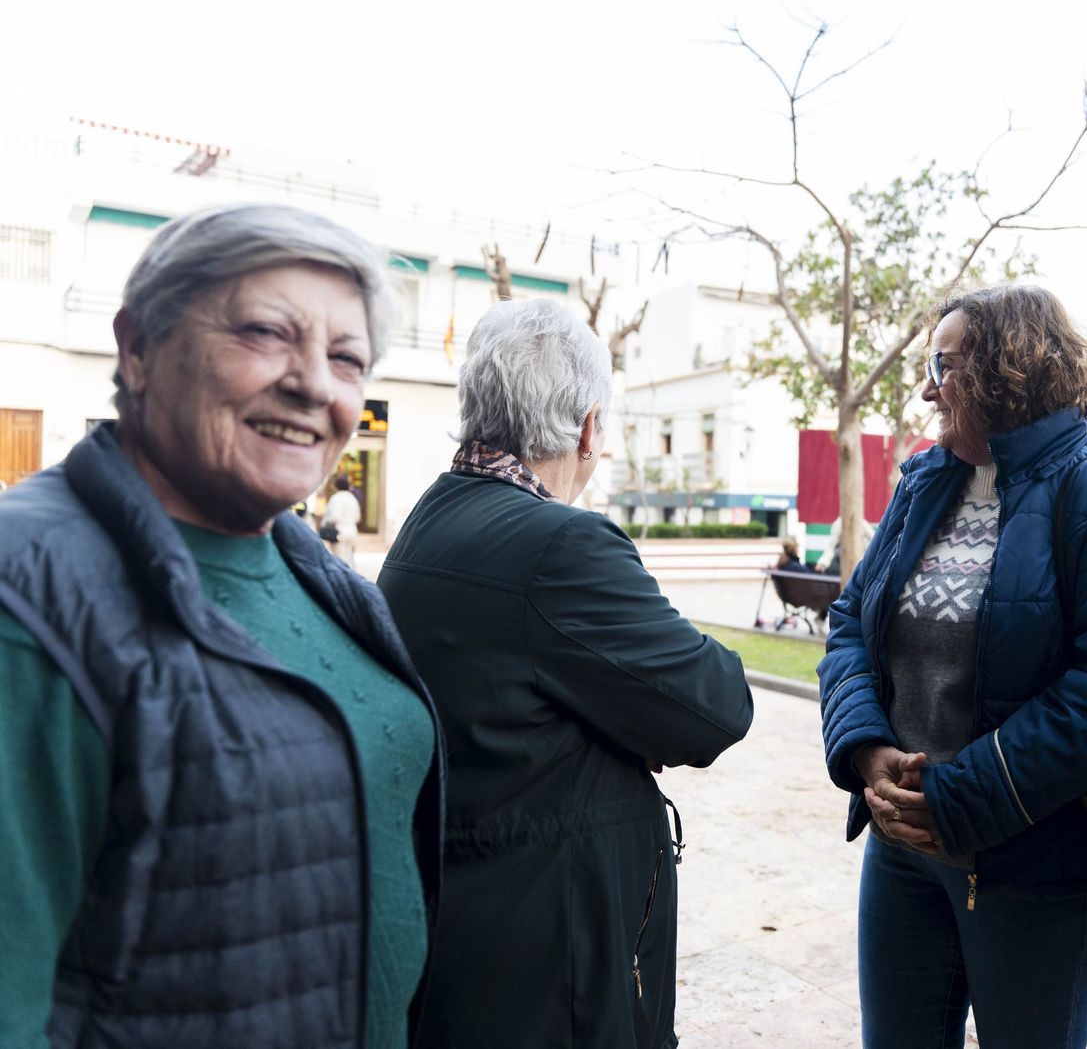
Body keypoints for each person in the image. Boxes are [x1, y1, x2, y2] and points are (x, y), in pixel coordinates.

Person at [0, 203, 444, 1048]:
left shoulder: (317, 571)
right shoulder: (27, 593)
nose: (315, 382)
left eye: (347, 357)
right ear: (138, 347)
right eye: (267, 333)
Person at [377, 298, 753, 1049]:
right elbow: (717, 706)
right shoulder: (559, 545)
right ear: (588, 427)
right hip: (550, 962)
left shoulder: (429, 518)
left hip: (473, 934)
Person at [817, 285, 1087, 1049]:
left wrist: (956, 799)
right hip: (901, 853)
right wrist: (866, 750)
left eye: (940, 365)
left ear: (1006, 368)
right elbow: (851, 619)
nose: (925, 387)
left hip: (1034, 871)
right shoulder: (923, 483)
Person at [323, 471, 362, 562]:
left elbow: (334, 517)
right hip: (352, 531)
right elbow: (358, 517)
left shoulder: (336, 498)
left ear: (336, 486)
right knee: (349, 558)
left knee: (340, 559)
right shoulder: (353, 498)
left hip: (339, 532)